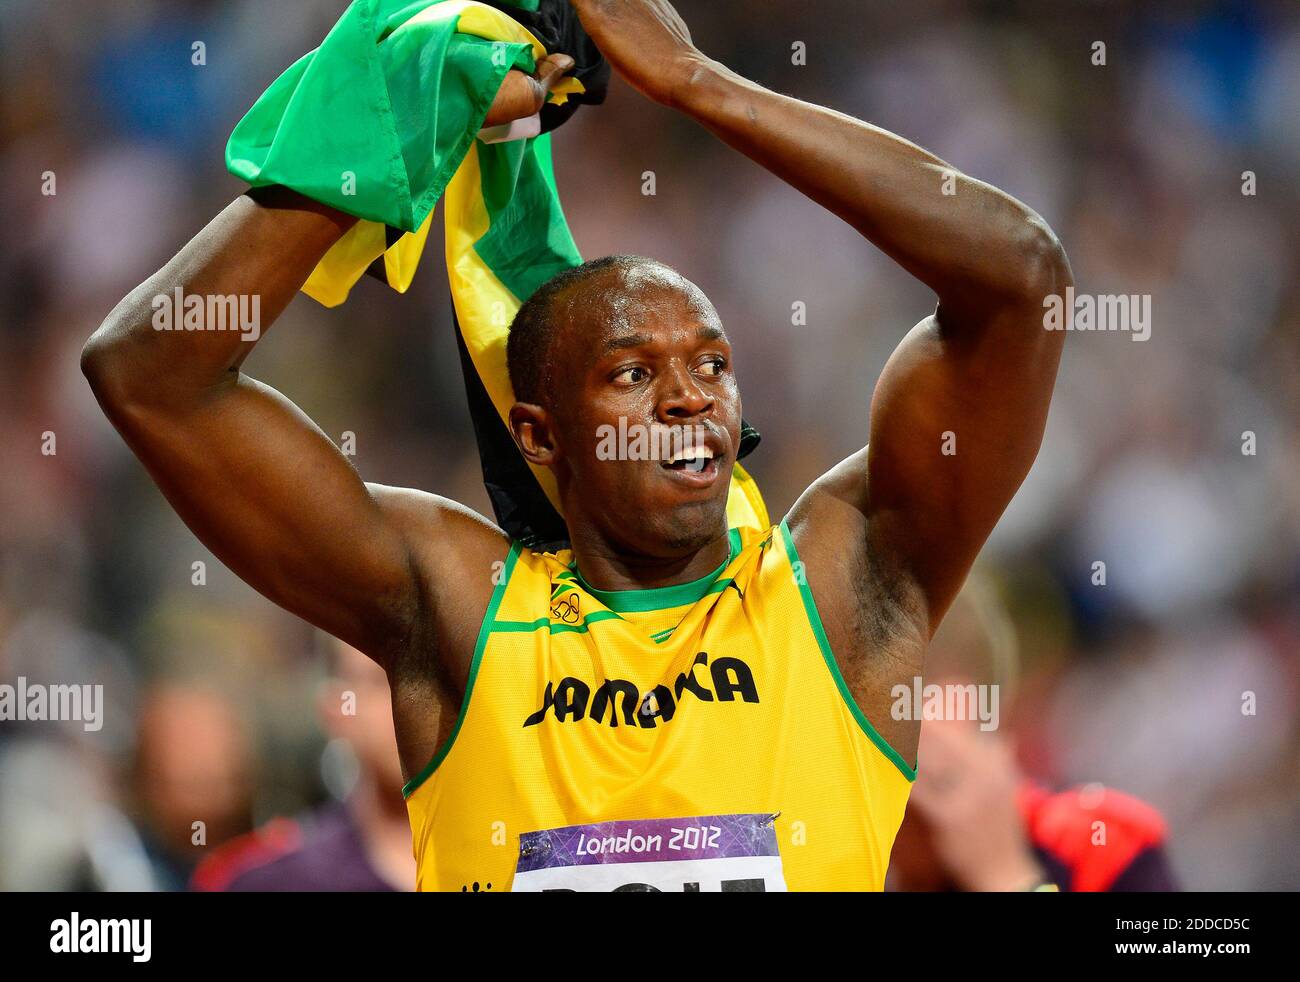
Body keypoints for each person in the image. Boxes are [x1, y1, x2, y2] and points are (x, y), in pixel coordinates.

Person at [81, 0, 1070, 891]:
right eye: (633, 374)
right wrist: (400, 124)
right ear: (540, 435)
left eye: (713, 365)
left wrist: (698, 84)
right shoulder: (459, 608)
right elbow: (148, 374)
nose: (689, 397)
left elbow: (1018, 279)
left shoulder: (843, 587)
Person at [191, 640, 415, 891]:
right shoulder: (278, 883)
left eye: (438, 678)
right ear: (335, 710)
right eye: (382, 681)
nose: (415, 703)